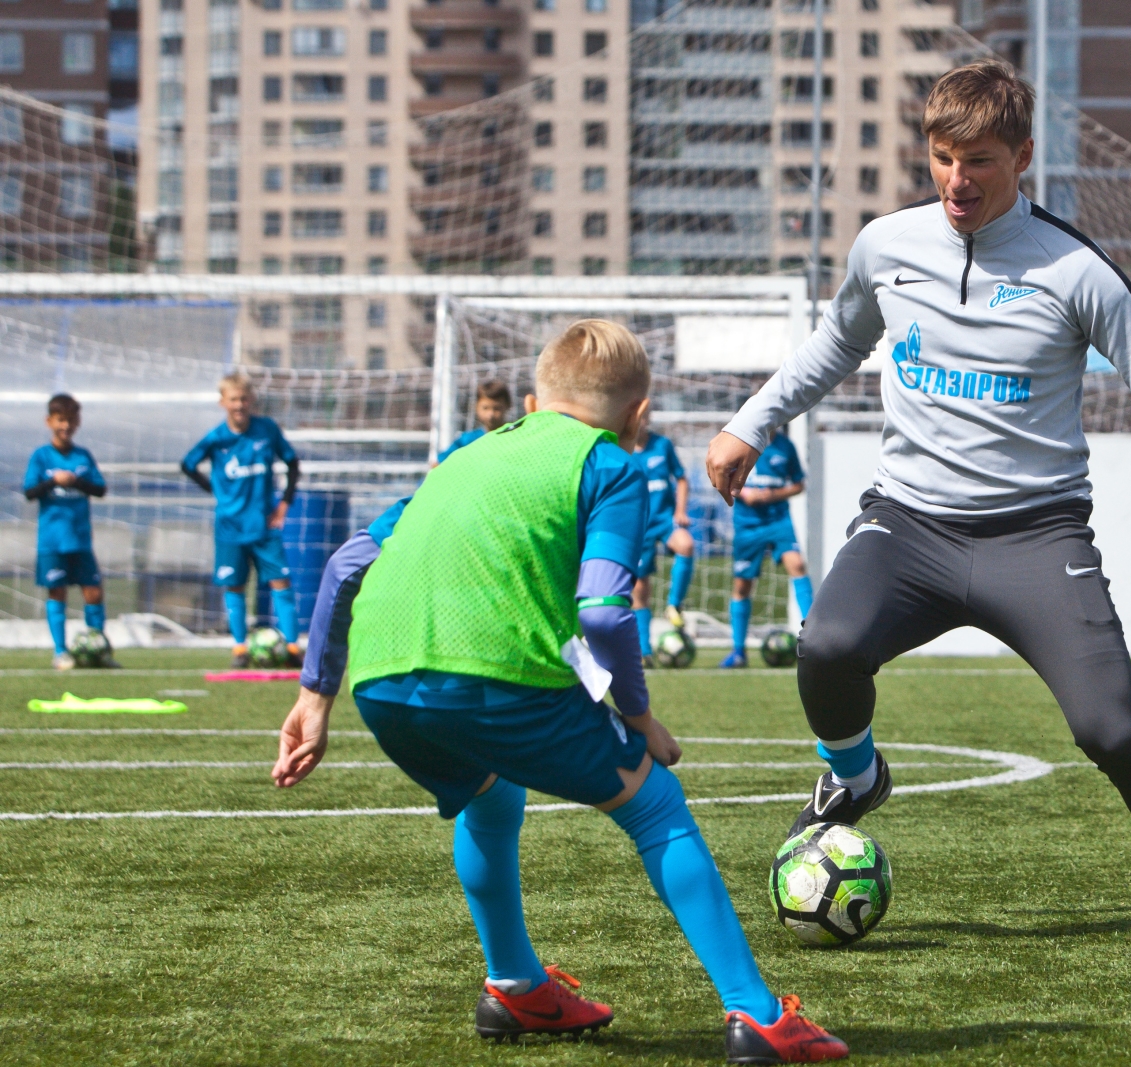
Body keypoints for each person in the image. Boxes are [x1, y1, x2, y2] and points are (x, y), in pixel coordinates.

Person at [705, 60, 1131, 939]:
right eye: (941, 157)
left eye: (978, 161)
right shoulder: (886, 247)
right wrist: (750, 421)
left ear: (1021, 158)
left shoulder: (1077, 269)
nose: (956, 181)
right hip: (907, 526)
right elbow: (833, 346)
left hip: (1035, 535)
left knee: (1111, 728)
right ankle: (854, 777)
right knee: (824, 643)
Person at [271, 320, 847, 1062]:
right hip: (496, 677)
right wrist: (639, 717)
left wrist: (315, 700)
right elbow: (604, 609)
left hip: (379, 683)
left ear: (536, 399)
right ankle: (757, 1014)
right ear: (638, 416)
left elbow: (349, 562)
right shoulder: (612, 466)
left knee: (489, 792)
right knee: (656, 805)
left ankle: (514, 985)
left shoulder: (466, 454)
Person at [181, 373, 303, 668]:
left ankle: (292, 648)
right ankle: (239, 648)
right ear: (223, 402)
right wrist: (215, 490)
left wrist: (284, 504)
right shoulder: (217, 438)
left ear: (252, 401)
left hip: (264, 526)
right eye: (233, 399)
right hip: (230, 527)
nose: (239, 405)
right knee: (234, 587)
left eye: (244, 399)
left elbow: (292, 463)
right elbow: (187, 464)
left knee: (281, 582)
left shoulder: (267, 430)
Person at [23, 394, 110, 670]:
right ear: (49, 421)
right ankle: (61, 652)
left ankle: (96, 649)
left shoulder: (83, 456)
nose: (66, 425)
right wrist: (53, 481)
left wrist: (76, 481)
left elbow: (100, 489)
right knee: (57, 592)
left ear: (77, 422)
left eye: (71, 420)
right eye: (61, 420)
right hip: (52, 541)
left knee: (93, 592)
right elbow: (29, 492)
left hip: (81, 539)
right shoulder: (41, 456)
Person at [721, 426, 812, 669]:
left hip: (778, 521)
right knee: (742, 585)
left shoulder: (785, 446)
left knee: (798, 565)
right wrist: (742, 493)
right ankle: (738, 651)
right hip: (748, 526)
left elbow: (799, 484)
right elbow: (722, 476)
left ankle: (814, 641)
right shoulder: (740, 443)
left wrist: (772, 495)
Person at [631, 418, 695, 665]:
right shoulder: (620, 449)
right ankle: (644, 650)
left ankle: (673, 605)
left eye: (645, 417)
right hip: (639, 524)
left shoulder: (662, 445)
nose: (641, 422)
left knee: (686, 545)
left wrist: (680, 510)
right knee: (639, 588)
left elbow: (681, 478)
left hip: (665, 520)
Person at [436, 379, 512, 464]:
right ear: (476, 407)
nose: (491, 414)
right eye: (485, 408)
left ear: (508, 406)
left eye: (497, 408)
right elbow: (439, 463)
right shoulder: (467, 440)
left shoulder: (514, 435)